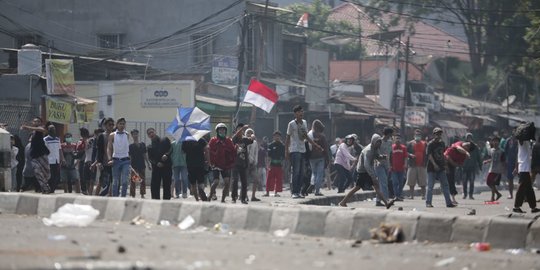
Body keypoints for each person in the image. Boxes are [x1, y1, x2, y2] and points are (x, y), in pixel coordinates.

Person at [339, 133, 395, 208]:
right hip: (362, 171)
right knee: (357, 187)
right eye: (378, 142)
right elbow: (366, 165)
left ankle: (386, 203)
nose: (379, 144)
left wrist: (382, 157)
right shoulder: (368, 150)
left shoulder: (375, 148)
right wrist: (373, 176)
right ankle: (343, 202)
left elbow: (376, 156)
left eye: (380, 142)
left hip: (368, 171)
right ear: (374, 141)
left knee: (376, 186)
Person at [285, 105, 322, 199]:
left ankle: (299, 191)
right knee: (296, 172)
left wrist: (315, 144)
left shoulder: (304, 123)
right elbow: (288, 137)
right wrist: (286, 151)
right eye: (299, 112)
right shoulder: (291, 124)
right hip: (294, 150)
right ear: (295, 113)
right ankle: (294, 192)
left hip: (303, 150)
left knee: (302, 173)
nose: (301, 113)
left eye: (302, 111)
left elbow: (306, 136)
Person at [425, 127, 455, 208]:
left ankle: (448, 203)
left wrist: (445, 165)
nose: (439, 135)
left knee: (445, 185)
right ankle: (428, 203)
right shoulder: (430, 144)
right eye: (437, 133)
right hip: (431, 168)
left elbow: (442, 154)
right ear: (434, 134)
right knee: (430, 186)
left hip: (441, 168)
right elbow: (429, 155)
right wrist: (435, 165)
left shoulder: (442, 143)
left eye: (440, 133)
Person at [208, 123, 236, 203]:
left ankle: (223, 199)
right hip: (215, 164)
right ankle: (210, 196)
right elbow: (209, 151)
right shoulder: (213, 140)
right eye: (220, 129)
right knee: (216, 182)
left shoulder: (228, 141)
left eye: (223, 129)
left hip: (225, 165)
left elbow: (232, 151)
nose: (222, 131)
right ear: (217, 131)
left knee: (227, 182)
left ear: (225, 131)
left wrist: (236, 149)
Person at [20, 124, 51, 194]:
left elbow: (42, 130)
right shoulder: (30, 144)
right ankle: (45, 188)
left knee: (46, 173)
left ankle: (46, 186)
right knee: (38, 173)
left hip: (42, 156)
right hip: (34, 157)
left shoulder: (40, 133)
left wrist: (28, 127)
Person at [512, 134, 539, 213]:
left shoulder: (527, 142)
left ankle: (533, 207)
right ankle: (516, 206)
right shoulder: (522, 140)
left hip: (526, 167)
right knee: (522, 187)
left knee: (529, 188)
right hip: (523, 167)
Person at [444, 139, 475, 204]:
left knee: (451, 182)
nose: (466, 144)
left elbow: (458, 164)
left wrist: (450, 161)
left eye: (468, 146)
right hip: (443, 161)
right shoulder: (459, 143)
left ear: (468, 149)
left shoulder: (463, 156)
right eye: (467, 143)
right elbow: (458, 148)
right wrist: (466, 153)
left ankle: (452, 199)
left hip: (451, 166)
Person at [107, 118, 131, 197]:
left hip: (125, 160)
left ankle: (123, 198)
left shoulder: (127, 134)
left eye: (123, 124)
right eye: (120, 123)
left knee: (124, 182)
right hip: (116, 160)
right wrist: (110, 159)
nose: (122, 125)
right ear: (117, 125)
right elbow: (109, 148)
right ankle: (115, 198)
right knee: (115, 182)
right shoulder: (112, 135)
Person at [147, 128, 172, 200]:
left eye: (152, 132)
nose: (151, 134)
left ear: (155, 132)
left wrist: (166, 155)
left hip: (167, 166)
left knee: (167, 184)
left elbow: (170, 149)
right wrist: (156, 163)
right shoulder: (149, 146)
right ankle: (155, 200)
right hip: (156, 168)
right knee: (155, 185)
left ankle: (166, 201)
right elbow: (150, 158)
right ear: (148, 136)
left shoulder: (165, 140)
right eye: (149, 133)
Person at [231, 123, 253, 204]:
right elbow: (235, 136)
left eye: (242, 130)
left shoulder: (244, 139)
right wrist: (242, 128)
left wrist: (252, 136)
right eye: (239, 129)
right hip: (234, 164)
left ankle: (243, 198)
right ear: (236, 131)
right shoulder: (234, 139)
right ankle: (234, 197)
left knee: (244, 182)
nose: (240, 131)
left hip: (243, 164)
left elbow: (251, 140)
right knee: (235, 180)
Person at [182, 137, 209, 202]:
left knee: (193, 183)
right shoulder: (201, 139)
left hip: (190, 164)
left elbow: (183, 152)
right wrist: (207, 160)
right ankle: (201, 190)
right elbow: (206, 150)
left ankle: (197, 199)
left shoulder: (186, 141)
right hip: (200, 164)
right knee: (201, 181)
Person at [307, 120, 329, 196]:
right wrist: (327, 159)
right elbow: (325, 149)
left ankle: (312, 184)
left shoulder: (309, 135)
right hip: (320, 157)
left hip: (311, 157)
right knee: (319, 174)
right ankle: (317, 191)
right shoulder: (322, 136)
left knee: (314, 173)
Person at [94, 118, 115, 196]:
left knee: (113, 181)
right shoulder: (102, 136)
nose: (111, 126)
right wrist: (99, 162)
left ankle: (110, 197)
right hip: (105, 162)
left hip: (114, 162)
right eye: (110, 124)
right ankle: (96, 197)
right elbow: (99, 151)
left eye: (113, 124)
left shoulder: (115, 135)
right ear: (105, 125)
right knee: (101, 180)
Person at [375, 127, 394, 206]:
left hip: (387, 165)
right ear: (389, 134)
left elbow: (391, 154)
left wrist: (391, 164)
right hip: (379, 164)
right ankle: (386, 200)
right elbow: (375, 153)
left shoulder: (390, 142)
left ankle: (378, 200)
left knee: (381, 184)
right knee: (384, 182)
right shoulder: (379, 141)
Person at [406, 129, 427, 200]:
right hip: (412, 165)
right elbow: (405, 152)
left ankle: (423, 195)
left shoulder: (424, 143)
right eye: (416, 135)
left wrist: (425, 163)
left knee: (423, 182)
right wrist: (410, 155)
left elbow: (427, 154)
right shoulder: (410, 143)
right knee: (411, 181)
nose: (417, 136)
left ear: (421, 136)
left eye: (419, 135)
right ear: (414, 135)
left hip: (422, 165)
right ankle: (411, 195)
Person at [129, 129, 150, 198]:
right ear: (132, 135)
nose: (135, 135)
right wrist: (130, 166)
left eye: (136, 134)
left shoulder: (142, 144)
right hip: (134, 166)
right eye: (134, 134)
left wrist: (148, 163)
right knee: (133, 180)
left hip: (141, 165)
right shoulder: (131, 146)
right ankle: (133, 195)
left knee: (142, 180)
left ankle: (142, 194)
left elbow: (144, 155)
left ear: (138, 134)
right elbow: (130, 157)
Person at [43, 124, 64, 193]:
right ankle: (49, 189)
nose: (53, 130)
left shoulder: (57, 139)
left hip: (56, 161)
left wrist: (62, 158)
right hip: (49, 161)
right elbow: (44, 151)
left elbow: (60, 149)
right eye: (51, 129)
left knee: (57, 177)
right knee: (50, 177)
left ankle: (52, 189)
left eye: (54, 129)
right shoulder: (45, 139)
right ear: (48, 130)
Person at [462, 133, 482, 200]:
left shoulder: (475, 147)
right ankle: (465, 194)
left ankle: (470, 195)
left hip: (472, 167)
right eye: (468, 137)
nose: (469, 139)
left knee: (471, 181)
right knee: (464, 182)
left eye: (470, 137)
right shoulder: (463, 146)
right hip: (464, 167)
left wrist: (480, 165)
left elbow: (479, 157)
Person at [265, 131, 285, 197]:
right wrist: (267, 164)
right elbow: (268, 156)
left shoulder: (282, 146)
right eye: (276, 136)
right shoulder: (270, 145)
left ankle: (276, 192)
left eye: (278, 136)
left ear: (280, 137)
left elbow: (284, 157)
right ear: (273, 137)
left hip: (279, 165)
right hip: (272, 164)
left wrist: (283, 165)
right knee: (269, 178)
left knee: (278, 179)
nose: (277, 137)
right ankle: (267, 192)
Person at [484, 136, 503, 202]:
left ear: (499, 142)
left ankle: (493, 197)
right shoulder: (492, 150)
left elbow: (503, 161)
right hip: (491, 168)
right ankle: (497, 194)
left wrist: (502, 169)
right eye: (494, 141)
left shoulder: (501, 151)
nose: (495, 142)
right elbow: (492, 159)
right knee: (489, 183)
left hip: (497, 170)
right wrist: (487, 161)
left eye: (496, 141)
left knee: (491, 183)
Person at [390, 134, 408, 201]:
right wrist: (390, 165)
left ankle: (399, 195)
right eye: (396, 138)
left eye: (399, 138)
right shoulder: (391, 147)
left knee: (401, 182)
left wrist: (405, 164)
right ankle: (396, 195)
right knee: (395, 182)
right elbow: (389, 157)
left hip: (401, 168)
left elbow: (405, 157)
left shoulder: (404, 148)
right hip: (393, 168)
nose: (398, 140)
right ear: (394, 139)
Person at [245, 128, 261, 202]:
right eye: (248, 133)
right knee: (245, 181)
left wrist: (255, 162)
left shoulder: (255, 143)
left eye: (251, 133)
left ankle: (253, 196)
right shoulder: (244, 141)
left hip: (253, 164)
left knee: (256, 179)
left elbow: (256, 153)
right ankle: (244, 195)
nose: (249, 134)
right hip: (245, 164)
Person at [504, 130, 519, 199]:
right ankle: (511, 194)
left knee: (522, 178)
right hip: (510, 161)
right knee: (510, 179)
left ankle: (522, 195)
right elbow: (505, 151)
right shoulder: (508, 140)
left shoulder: (519, 141)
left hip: (519, 161)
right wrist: (505, 161)